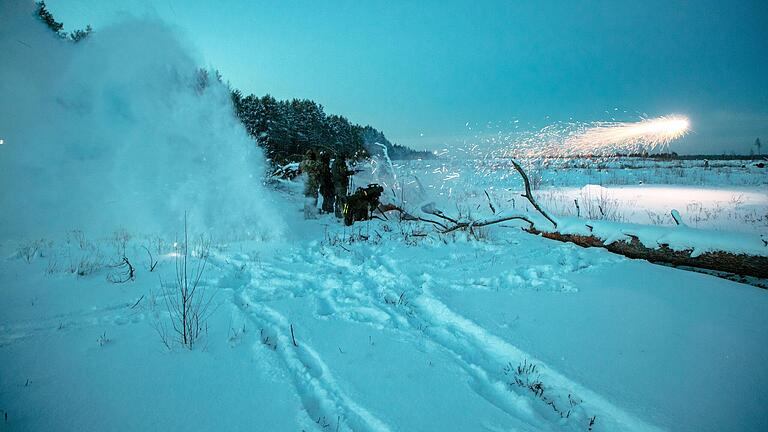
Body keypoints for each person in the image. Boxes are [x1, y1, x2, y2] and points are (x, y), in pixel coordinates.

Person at [299, 150, 320, 218]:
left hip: (306, 183)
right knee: (314, 198)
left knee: (307, 198)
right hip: (313, 183)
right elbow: (319, 171)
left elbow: (299, 171)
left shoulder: (302, 163)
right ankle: (312, 214)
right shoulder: (315, 163)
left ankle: (306, 214)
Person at [331, 153, 353, 218]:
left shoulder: (334, 163)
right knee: (344, 200)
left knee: (338, 199)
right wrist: (351, 172)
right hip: (341, 184)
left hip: (336, 184)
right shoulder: (341, 163)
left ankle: (337, 214)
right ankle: (345, 213)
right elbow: (343, 173)